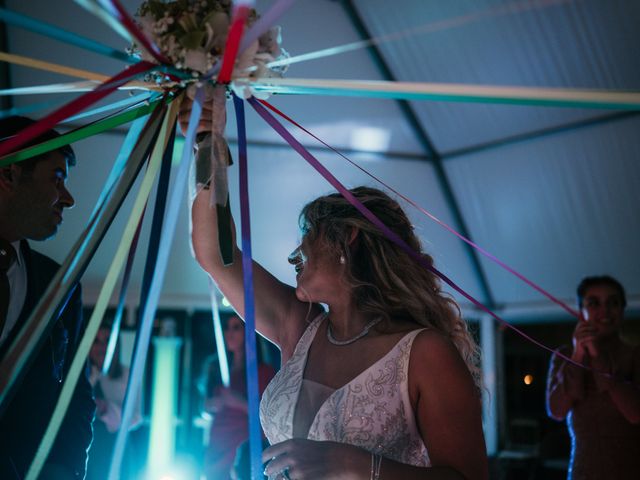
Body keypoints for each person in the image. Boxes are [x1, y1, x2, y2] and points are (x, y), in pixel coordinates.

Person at [182, 95, 488, 480]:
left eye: (308, 234)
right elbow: (217, 255)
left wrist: (360, 466)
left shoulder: (424, 353)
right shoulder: (299, 327)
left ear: (350, 239)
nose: (296, 253)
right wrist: (209, 141)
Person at [0, 116, 95, 479]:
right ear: (9, 174)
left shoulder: (59, 284)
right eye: (57, 178)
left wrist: (65, 471)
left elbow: (75, 397)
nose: (68, 199)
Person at [546, 275, 640, 479]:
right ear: (582, 311)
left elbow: (635, 413)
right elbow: (557, 410)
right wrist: (578, 355)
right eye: (594, 303)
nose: (604, 311)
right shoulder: (564, 356)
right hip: (582, 472)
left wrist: (598, 357)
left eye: (613, 303)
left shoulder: (635, 355)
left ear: (623, 309)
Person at [200, 314, 276, 480]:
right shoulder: (215, 368)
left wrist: (237, 401)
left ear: (248, 333)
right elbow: (205, 408)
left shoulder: (263, 371)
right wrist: (211, 405)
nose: (229, 333)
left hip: (244, 444)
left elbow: (268, 415)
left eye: (236, 328)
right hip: (218, 442)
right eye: (227, 328)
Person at [86, 322, 141, 479]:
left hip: (116, 447)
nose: (102, 347)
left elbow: (136, 417)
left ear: (116, 345)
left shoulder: (127, 375)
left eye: (107, 341)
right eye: (96, 341)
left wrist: (106, 409)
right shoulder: (80, 377)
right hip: (86, 448)